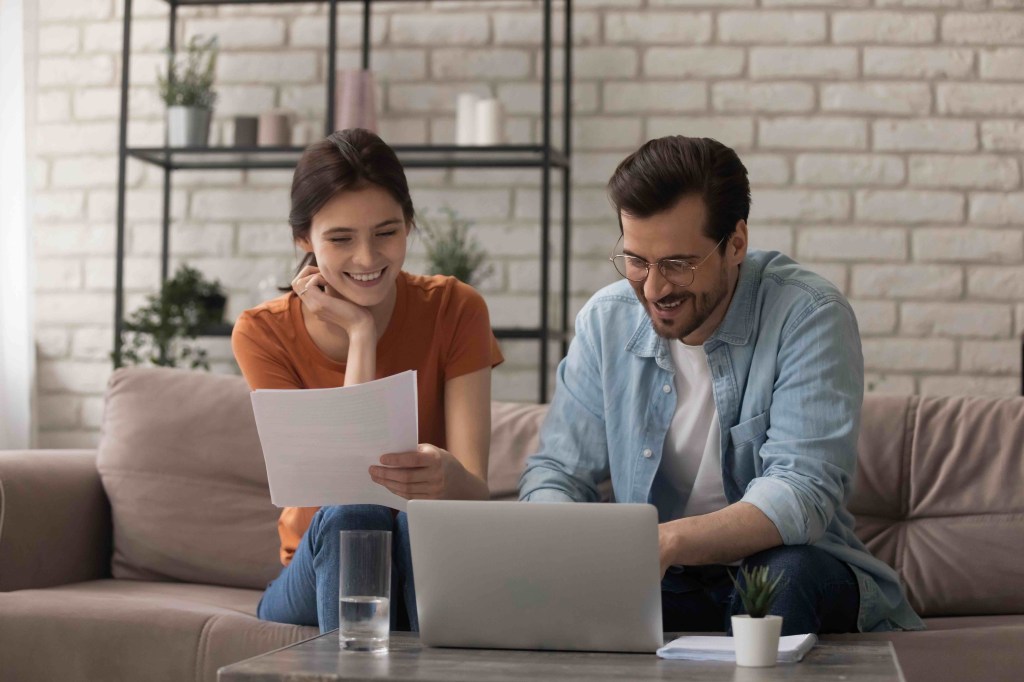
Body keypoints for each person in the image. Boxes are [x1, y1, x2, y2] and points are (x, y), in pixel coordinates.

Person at [519, 135, 924, 635]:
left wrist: (666, 542)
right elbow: (557, 473)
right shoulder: (607, 321)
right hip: (662, 577)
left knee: (781, 578)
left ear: (735, 244)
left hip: (789, 567)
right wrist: (575, 548)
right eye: (637, 261)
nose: (653, 288)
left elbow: (801, 491)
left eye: (678, 264)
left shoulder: (808, 315)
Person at [232, 128, 503, 634]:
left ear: (408, 225)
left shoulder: (455, 309)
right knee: (354, 518)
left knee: (414, 527)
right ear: (303, 240)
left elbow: (474, 494)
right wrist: (361, 334)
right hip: (316, 567)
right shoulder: (262, 333)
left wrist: (448, 476)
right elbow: (347, 489)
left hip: (424, 548)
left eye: (386, 232)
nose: (367, 258)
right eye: (340, 239)